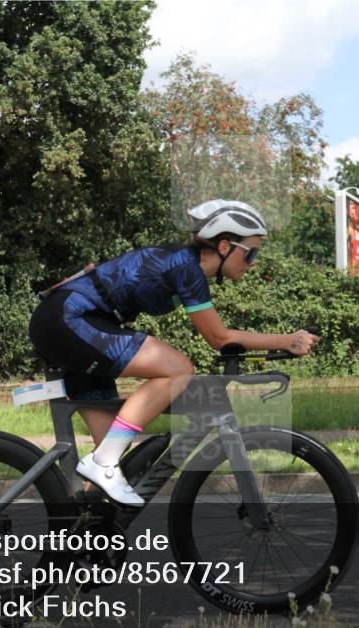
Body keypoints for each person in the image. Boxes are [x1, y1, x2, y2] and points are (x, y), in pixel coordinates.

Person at [28, 199, 319, 506]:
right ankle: (102, 463)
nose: (254, 262)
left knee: (112, 452)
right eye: (252, 252)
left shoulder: (183, 263)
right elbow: (218, 338)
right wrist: (287, 340)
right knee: (177, 368)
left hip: (73, 322)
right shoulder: (186, 268)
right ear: (224, 246)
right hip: (71, 319)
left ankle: (85, 534)